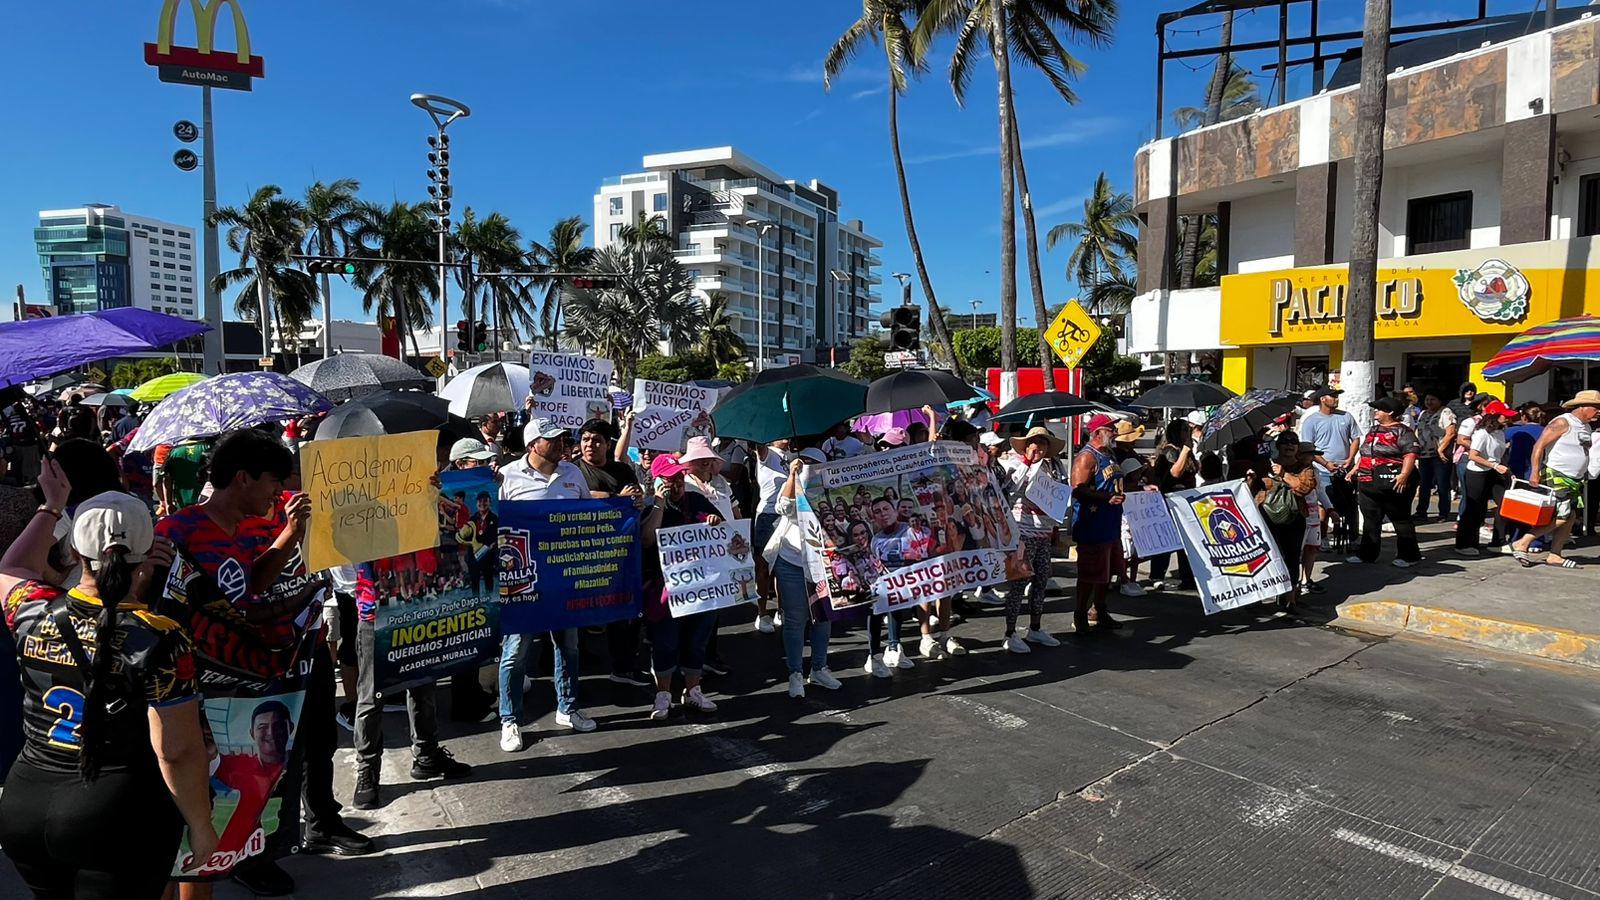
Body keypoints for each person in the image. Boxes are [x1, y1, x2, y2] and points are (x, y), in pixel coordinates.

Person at [0, 478, 218, 900]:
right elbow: (175, 750)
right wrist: (201, 824)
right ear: (148, 551)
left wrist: (51, 506)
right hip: (117, 812)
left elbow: (11, 567)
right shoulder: (161, 636)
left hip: (25, 801)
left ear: (75, 551)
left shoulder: (30, 611)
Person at [497, 417, 597, 752]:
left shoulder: (572, 473)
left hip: (564, 577)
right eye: (551, 439)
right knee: (515, 653)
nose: (560, 443)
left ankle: (567, 708)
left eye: (561, 438)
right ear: (532, 444)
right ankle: (510, 719)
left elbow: (589, 514)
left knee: (568, 646)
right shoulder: (508, 476)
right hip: (523, 580)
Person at [639, 454, 723, 719]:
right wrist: (659, 504)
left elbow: (722, 529)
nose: (676, 484)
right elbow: (646, 540)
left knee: (697, 639)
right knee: (665, 641)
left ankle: (693, 690)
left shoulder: (696, 500)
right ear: (657, 481)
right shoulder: (651, 506)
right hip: (665, 588)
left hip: (700, 586)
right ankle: (663, 694)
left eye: (678, 478)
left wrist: (713, 521)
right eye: (669, 479)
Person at [571, 419, 653, 689]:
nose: (589, 445)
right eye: (585, 439)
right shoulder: (572, 471)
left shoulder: (622, 469)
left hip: (619, 551)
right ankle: (575, 667)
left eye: (596, 440)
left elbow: (635, 501)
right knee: (578, 611)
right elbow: (579, 499)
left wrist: (634, 501)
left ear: (608, 444)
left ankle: (624, 667)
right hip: (583, 552)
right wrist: (615, 497)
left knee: (623, 610)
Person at [767, 447, 837, 697]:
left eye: (812, 463)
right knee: (796, 619)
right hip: (791, 560)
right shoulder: (793, 485)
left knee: (823, 616)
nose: (807, 466)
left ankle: (819, 667)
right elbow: (783, 508)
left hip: (821, 562)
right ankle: (795, 673)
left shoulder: (829, 492)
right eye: (803, 462)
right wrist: (793, 477)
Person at [1510, 390, 1600, 568]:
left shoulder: (1586, 426)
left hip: (1574, 478)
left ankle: (1555, 554)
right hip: (1557, 475)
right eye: (1596, 407)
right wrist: (1535, 472)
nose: (1599, 411)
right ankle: (1523, 542)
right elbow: (1539, 446)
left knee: (1571, 516)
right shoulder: (1562, 422)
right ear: (1582, 407)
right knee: (1563, 515)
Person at [1001, 426, 1067, 651]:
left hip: (1044, 532)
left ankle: (1035, 628)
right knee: (1019, 582)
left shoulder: (1054, 466)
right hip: (1024, 532)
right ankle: (1010, 632)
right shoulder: (1017, 464)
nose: (1039, 446)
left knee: (1040, 582)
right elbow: (1010, 490)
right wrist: (1027, 463)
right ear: (1027, 446)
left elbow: (1061, 495)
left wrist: (1056, 525)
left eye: (1043, 442)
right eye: (1035, 442)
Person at [1348, 397, 1421, 568]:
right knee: (1370, 519)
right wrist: (1355, 469)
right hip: (1368, 481)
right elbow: (1367, 452)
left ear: (1390, 413)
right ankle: (1367, 554)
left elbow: (1410, 453)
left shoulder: (1403, 431)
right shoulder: (1374, 429)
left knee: (1401, 519)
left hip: (1393, 481)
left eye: (1379, 409)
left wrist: (1404, 475)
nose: (1376, 411)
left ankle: (1409, 555)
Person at [1071, 415, 1127, 636]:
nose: (1114, 432)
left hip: (1110, 523)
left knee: (1108, 572)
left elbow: (1116, 483)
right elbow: (1078, 489)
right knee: (1089, 573)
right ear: (1097, 433)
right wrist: (1105, 498)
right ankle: (1080, 614)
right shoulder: (1086, 457)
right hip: (1091, 525)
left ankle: (1099, 610)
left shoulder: (1109, 454)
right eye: (1110, 429)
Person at [1257, 439, 1317, 610]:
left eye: (1293, 442)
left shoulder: (1305, 468)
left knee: (1291, 558)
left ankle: (1289, 599)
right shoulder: (1267, 465)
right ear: (1278, 446)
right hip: (1267, 518)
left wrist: (1284, 474)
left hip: (1293, 518)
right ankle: (1260, 597)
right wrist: (1252, 479)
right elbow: (1256, 490)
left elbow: (1304, 488)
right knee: (1266, 558)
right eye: (1285, 442)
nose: (1289, 445)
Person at [1299, 386, 1362, 538]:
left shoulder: (1346, 417)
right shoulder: (1311, 421)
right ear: (1322, 399)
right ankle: (1324, 537)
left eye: (1336, 396)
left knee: (1351, 503)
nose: (1336, 399)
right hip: (1322, 469)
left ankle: (1352, 537)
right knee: (1324, 503)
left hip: (1346, 468)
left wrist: (1350, 458)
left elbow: (1355, 438)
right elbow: (1309, 447)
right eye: (1332, 396)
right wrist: (1325, 463)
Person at [1456, 400, 1516, 556]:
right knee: (1475, 507)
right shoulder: (1481, 434)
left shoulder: (1500, 433)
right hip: (1477, 473)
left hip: (1495, 472)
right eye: (1505, 415)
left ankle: (1499, 541)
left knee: (1504, 504)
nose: (1508, 419)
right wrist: (1494, 465)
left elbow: (1499, 455)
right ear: (1495, 416)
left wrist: (1506, 469)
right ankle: (1465, 543)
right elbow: (1473, 456)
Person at [1147, 420, 1196, 591]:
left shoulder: (1185, 451)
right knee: (1167, 539)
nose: (1187, 433)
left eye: (1188, 430)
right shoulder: (1170, 451)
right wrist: (1186, 451)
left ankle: (1187, 576)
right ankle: (1157, 575)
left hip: (1185, 501)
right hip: (1170, 500)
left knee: (1186, 541)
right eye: (1184, 430)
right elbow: (1175, 472)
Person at [1412, 393, 1449, 520]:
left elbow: (1450, 433)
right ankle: (1421, 511)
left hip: (1439, 454)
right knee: (1424, 484)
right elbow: (1419, 431)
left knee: (1442, 484)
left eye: (1432, 399)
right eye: (1427, 399)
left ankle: (1443, 513)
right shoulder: (1423, 413)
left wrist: (1441, 449)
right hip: (1424, 453)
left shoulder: (1445, 412)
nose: (1429, 402)